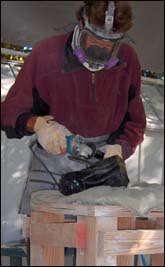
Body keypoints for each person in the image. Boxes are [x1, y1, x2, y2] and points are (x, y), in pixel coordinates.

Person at [1, 0, 146, 216]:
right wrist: (39, 125)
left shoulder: (128, 60)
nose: (100, 51)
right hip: (52, 159)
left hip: (100, 167)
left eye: (110, 45)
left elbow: (135, 122)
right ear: (81, 23)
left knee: (97, 240)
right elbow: (8, 112)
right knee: (47, 237)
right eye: (94, 40)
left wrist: (120, 148)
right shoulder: (45, 53)